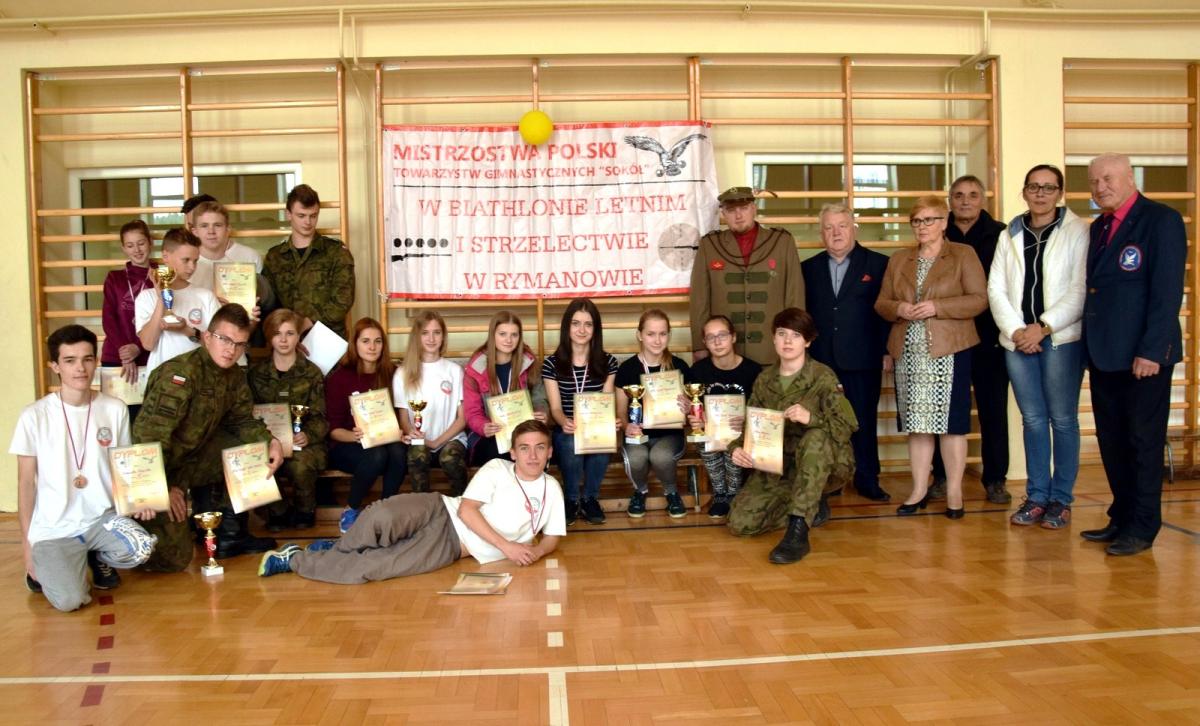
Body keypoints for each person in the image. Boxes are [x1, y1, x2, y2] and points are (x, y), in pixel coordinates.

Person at [258, 420, 566, 583]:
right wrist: (508, 547)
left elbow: (552, 537)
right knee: (379, 516)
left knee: (373, 567)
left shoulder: (552, 489)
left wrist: (536, 552)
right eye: (524, 448)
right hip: (440, 507)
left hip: (451, 545)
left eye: (540, 448)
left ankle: (294, 559)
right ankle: (339, 547)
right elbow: (467, 511)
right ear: (512, 452)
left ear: (550, 452)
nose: (532, 455)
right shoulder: (497, 468)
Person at [1080, 153, 1186, 556]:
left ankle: (1142, 527)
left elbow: (1166, 292)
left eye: (1108, 179)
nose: (1100, 187)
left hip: (1144, 357)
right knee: (1112, 441)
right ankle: (1121, 516)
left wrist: (1151, 351)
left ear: (1130, 179)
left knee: (1143, 442)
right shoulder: (1099, 227)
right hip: (1105, 354)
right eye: (1094, 181)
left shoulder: (1161, 221)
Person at [9, 325, 157, 612]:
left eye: (87, 359)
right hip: (55, 529)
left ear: (96, 360)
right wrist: (28, 547)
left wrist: (140, 501)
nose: (80, 368)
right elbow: (26, 484)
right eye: (70, 360)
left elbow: (124, 466)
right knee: (70, 601)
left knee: (142, 547)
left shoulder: (114, 408)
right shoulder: (33, 416)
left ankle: (95, 556)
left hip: (101, 519)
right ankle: (54, 565)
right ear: (55, 366)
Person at [133, 304, 283, 572]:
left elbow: (242, 420)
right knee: (174, 559)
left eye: (239, 344)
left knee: (253, 448)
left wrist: (271, 441)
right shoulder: (180, 375)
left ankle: (228, 535)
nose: (231, 350)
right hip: (162, 467)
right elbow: (148, 438)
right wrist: (163, 487)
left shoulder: (234, 376)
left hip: (195, 459)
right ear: (207, 337)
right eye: (225, 339)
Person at [988, 165, 1089, 530]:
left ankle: (1060, 500)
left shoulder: (1078, 231)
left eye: (1048, 187)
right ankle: (1036, 496)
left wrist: (1043, 328)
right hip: (1017, 342)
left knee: (1062, 420)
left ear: (1059, 193)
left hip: (1060, 339)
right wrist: (1017, 331)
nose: (1041, 193)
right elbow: (996, 288)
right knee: (1032, 420)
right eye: (1034, 187)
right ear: (1025, 191)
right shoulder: (1010, 233)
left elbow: (1080, 288)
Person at [875, 195, 987, 520]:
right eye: (916, 221)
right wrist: (899, 308)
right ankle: (918, 490)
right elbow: (881, 303)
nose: (922, 226)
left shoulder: (963, 254)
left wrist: (938, 307)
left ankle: (954, 492)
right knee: (917, 426)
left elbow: (979, 299)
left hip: (949, 350)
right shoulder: (900, 259)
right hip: (909, 353)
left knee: (952, 427)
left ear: (944, 222)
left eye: (929, 220)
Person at [727, 309, 856, 564]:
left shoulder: (823, 376)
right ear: (773, 338)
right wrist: (735, 448)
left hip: (825, 463)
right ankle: (810, 503)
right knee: (740, 524)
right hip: (780, 466)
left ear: (807, 341)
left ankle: (797, 533)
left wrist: (811, 418)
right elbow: (752, 427)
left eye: (796, 335)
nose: (788, 341)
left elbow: (847, 426)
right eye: (782, 334)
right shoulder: (764, 380)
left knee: (815, 437)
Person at [801, 203, 892, 502]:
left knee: (863, 420)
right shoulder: (809, 268)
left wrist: (887, 350)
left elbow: (886, 313)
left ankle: (867, 479)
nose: (836, 232)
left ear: (854, 228)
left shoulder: (879, 264)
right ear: (821, 233)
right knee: (825, 422)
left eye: (842, 226)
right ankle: (832, 480)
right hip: (822, 361)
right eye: (829, 227)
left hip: (864, 357)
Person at [929, 175, 1012, 505]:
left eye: (973, 195)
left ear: (983, 200)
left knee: (994, 411)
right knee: (944, 412)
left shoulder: (1002, 234)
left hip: (990, 336)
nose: (965, 201)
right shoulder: (937, 231)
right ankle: (941, 477)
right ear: (949, 200)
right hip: (948, 336)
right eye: (959, 195)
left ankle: (995, 479)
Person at [689, 186, 805, 364]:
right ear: (723, 214)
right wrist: (699, 345)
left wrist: (794, 344)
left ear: (753, 209)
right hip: (725, 356)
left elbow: (794, 296)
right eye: (731, 210)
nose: (738, 215)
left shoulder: (782, 242)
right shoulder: (709, 245)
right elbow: (699, 300)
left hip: (771, 351)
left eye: (743, 208)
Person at [248, 309, 329, 531]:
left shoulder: (312, 373)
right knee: (258, 461)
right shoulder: (256, 374)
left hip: (304, 443)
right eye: (277, 333)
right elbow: (248, 415)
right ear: (269, 337)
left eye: (290, 333)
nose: (283, 340)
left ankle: (305, 510)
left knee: (301, 464)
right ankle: (278, 510)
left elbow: (321, 417)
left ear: (298, 336)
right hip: (267, 440)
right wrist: (266, 439)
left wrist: (307, 435)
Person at [326, 317, 408, 534]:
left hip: (386, 441)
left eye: (377, 341)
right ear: (355, 344)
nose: (372, 347)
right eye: (365, 341)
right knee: (377, 454)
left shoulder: (393, 373)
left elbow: (401, 412)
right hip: (348, 443)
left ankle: (385, 510)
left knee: (398, 450)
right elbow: (333, 429)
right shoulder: (339, 378)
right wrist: (355, 436)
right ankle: (351, 508)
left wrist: (401, 431)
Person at [542, 297, 619, 526]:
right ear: (567, 326)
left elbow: (606, 402)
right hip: (567, 428)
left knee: (603, 441)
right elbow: (555, 408)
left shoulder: (609, 362)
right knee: (568, 442)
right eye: (576, 323)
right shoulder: (551, 363)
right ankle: (571, 499)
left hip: (595, 428)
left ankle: (590, 499)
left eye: (588, 324)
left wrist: (610, 422)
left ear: (596, 329)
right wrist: (563, 421)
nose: (581, 330)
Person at [615, 309, 692, 518]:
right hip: (637, 435)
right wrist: (626, 426)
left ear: (669, 335)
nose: (657, 340)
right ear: (639, 335)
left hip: (670, 435)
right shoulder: (627, 369)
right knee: (637, 457)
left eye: (663, 334)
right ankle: (640, 491)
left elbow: (692, 411)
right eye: (651, 334)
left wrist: (688, 409)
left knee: (660, 456)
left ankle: (671, 492)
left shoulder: (679, 366)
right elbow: (620, 411)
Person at [687, 315, 762, 518]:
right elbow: (693, 406)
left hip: (742, 431)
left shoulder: (753, 370)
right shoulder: (698, 371)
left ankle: (734, 493)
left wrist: (747, 421)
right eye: (711, 337)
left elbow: (762, 409)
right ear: (704, 342)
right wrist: (695, 418)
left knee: (733, 438)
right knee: (703, 436)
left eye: (722, 335)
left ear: (733, 337)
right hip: (712, 431)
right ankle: (720, 494)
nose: (717, 342)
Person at [262, 184, 356, 339]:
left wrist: (310, 322)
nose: (308, 222)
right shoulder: (275, 257)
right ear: (288, 214)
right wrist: (288, 327)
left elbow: (343, 300)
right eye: (301, 216)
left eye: (313, 216)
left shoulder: (336, 252)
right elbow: (269, 302)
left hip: (327, 339)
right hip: (286, 341)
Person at [394, 311, 469, 496]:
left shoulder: (454, 371)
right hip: (419, 440)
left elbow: (463, 418)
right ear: (417, 337)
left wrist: (436, 442)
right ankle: (423, 506)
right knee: (417, 455)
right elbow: (404, 419)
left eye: (437, 332)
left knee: (450, 459)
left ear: (443, 336)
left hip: (451, 439)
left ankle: (462, 503)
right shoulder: (403, 373)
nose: (431, 338)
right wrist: (414, 434)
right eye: (425, 333)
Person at [463, 311, 548, 466]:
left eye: (514, 335)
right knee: (498, 450)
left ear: (519, 337)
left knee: (533, 448)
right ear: (492, 335)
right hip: (490, 435)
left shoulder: (529, 363)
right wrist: (483, 426)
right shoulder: (476, 368)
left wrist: (541, 413)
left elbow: (539, 398)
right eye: (502, 334)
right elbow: (472, 411)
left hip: (524, 432)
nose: (508, 340)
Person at [134, 227, 220, 379]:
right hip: (162, 382)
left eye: (195, 261)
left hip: (199, 379)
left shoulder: (206, 297)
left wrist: (186, 329)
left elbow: (218, 344)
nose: (192, 267)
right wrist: (161, 299)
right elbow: (148, 344)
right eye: (186, 260)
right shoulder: (146, 297)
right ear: (165, 256)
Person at [101, 220, 154, 392]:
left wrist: (138, 347)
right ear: (124, 248)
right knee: (115, 408)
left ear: (150, 242)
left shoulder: (163, 277)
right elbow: (109, 319)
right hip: (116, 355)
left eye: (141, 243)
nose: (137, 250)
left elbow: (163, 319)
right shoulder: (114, 278)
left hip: (151, 355)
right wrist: (125, 353)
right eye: (130, 245)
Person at [187, 200, 265, 296]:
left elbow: (261, 295)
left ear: (228, 229)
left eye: (217, 225)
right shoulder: (186, 261)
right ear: (195, 231)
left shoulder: (250, 256)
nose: (211, 231)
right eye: (204, 226)